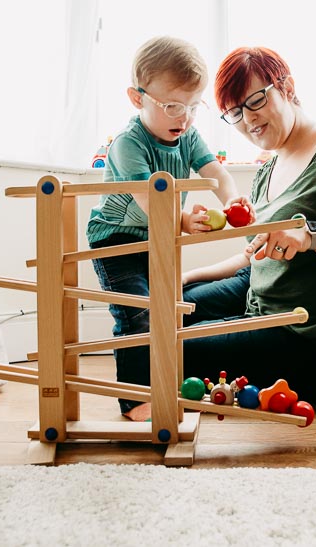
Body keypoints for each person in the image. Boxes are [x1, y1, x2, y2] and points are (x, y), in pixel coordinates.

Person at [121, 45, 316, 420]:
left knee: (166, 348)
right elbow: (255, 257)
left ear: (287, 87)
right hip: (264, 302)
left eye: (255, 101)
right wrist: (186, 278)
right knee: (166, 310)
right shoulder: (270, 168)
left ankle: (142, 406)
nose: (248, 120)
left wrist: (312, 234)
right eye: (235, 113)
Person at [86, 36, 253, 420]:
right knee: (136, 315)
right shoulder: (127, 144)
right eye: (174, 106)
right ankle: (135, 401)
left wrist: (230, 202)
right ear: (136, 98)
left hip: (158, 239)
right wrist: (180, 219)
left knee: (166, 310)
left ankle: (165, 383)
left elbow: (216, 173)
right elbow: (150, 201)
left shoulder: (188, 135)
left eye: (194, 107)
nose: (185, 117)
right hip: (117, 242)